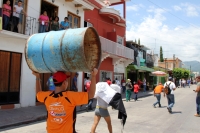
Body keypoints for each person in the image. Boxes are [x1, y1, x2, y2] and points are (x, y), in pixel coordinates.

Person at [33, 68, 98, 133]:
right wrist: (93, 76)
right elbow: (91, 95)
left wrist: (37, 77)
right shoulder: (70, 96)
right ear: (64, 83)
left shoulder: (47, 96)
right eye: (67, 80)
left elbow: (38, 94)